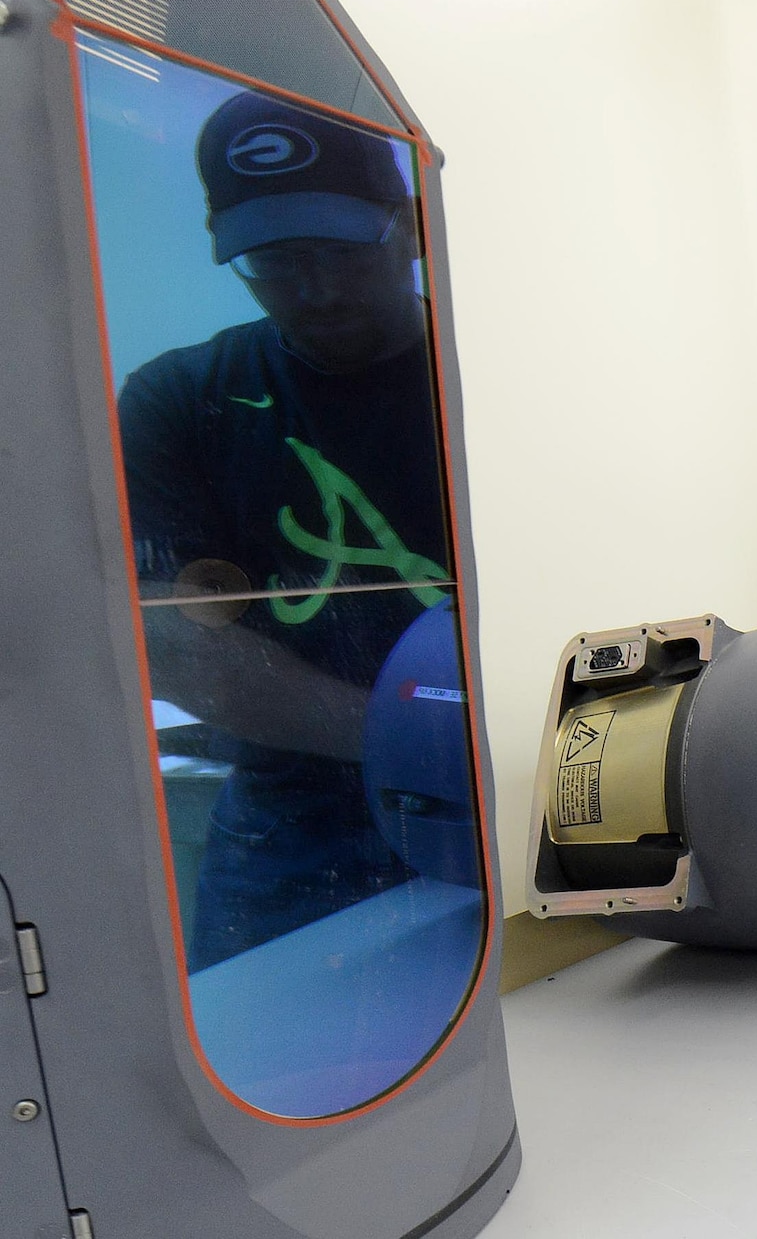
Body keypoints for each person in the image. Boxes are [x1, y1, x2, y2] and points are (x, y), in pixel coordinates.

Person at [118, 88, 457, 969]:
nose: (314, 289)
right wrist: (413, 737)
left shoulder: (485, 376)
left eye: (340, 248)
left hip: (499, 791)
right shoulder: (178, 401)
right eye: (273, 260)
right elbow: (179, 646)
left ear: (411, 228)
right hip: (287, 834)